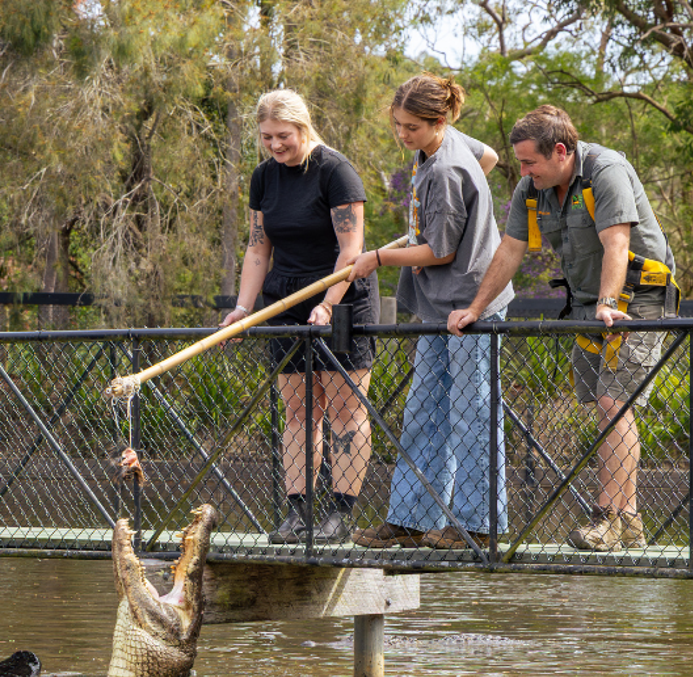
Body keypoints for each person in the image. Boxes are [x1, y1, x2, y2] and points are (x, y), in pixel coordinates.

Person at [448, 105, 678, 552]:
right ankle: (629, 520)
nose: (524, 170)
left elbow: (618, 242)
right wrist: (474, 307)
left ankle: (607, 518)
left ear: (560, 151)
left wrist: (610, 305)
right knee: (603, 404)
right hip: (588, 304)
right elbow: (510, 250)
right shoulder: (532, 188)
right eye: (520, 162)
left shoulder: (606, 171)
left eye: (530, 161)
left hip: (637, 299)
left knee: (615, 402)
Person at [345, 72, 514, 549]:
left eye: (413, 128)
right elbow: (490, 157)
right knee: (423, 410)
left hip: (471, 304)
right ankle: (411, 519)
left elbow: (438, 252)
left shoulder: (444, 170)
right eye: (398, 125)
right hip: (436, 305)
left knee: (471, 414)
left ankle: (478, 526)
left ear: (439, 121)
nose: (403, 136)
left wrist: (376, 258)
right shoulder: (445, 146)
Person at [221, 89, 378, 545]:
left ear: (303, 128)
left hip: (340, 296)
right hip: (285, 300)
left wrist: (328, 303)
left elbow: (351, 252)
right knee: (298, 410)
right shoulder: (263, 178)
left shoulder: (335, 171)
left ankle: (340, 513)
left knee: (346, 410)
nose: (274, 145)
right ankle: (297, 512)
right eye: (267, 137)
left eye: (283, 136)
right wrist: (244, 309)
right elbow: (258, 247)